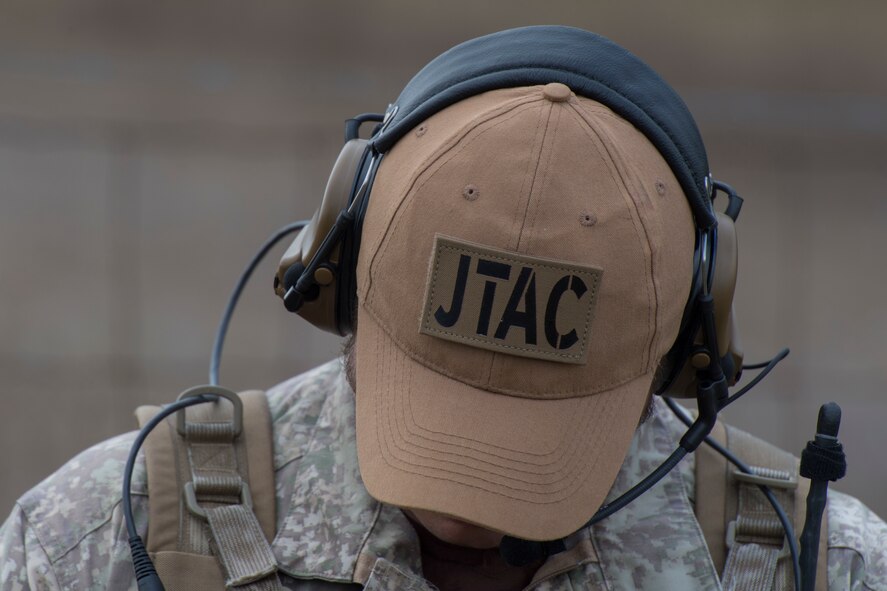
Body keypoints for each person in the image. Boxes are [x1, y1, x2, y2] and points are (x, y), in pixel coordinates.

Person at [1, 25, 885, 591]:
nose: (468, 504)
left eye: (534, 425)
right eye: (443, 396)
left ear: (686, 343)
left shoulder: (819, 567)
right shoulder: (103, 542)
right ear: (336, 273)